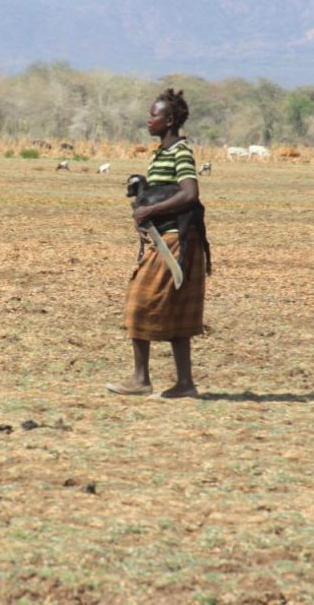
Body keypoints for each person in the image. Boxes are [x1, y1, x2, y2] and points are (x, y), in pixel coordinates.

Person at [106, 88, 206, 399]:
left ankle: (141, 379)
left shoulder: (180, 153)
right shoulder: (160, 153)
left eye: (154, 115)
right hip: (166, 239)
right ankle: (184, 383)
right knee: (176, 311)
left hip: (177, 243)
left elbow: (190, 194)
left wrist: (149, 210)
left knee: (138, 302)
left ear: (171, 120)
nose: (149, 120)